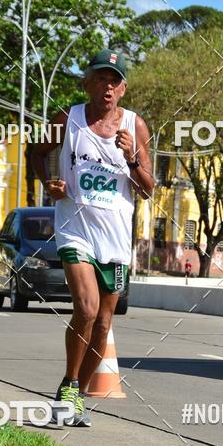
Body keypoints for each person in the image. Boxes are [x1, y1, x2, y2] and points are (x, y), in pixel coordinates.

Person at [32, 49, 154, 426]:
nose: (107, 86)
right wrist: (47, 182)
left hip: (116, 240)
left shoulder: (136, 127)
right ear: (87, 82)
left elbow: (148, 189)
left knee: (103, 322)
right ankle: (68, 384)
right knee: (84, 308)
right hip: (76, 229)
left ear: (123, 89)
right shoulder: (68, 118)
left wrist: (132, 157)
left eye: (114, 80)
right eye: (101, 77)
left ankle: (78, 398)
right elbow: (35, 152)